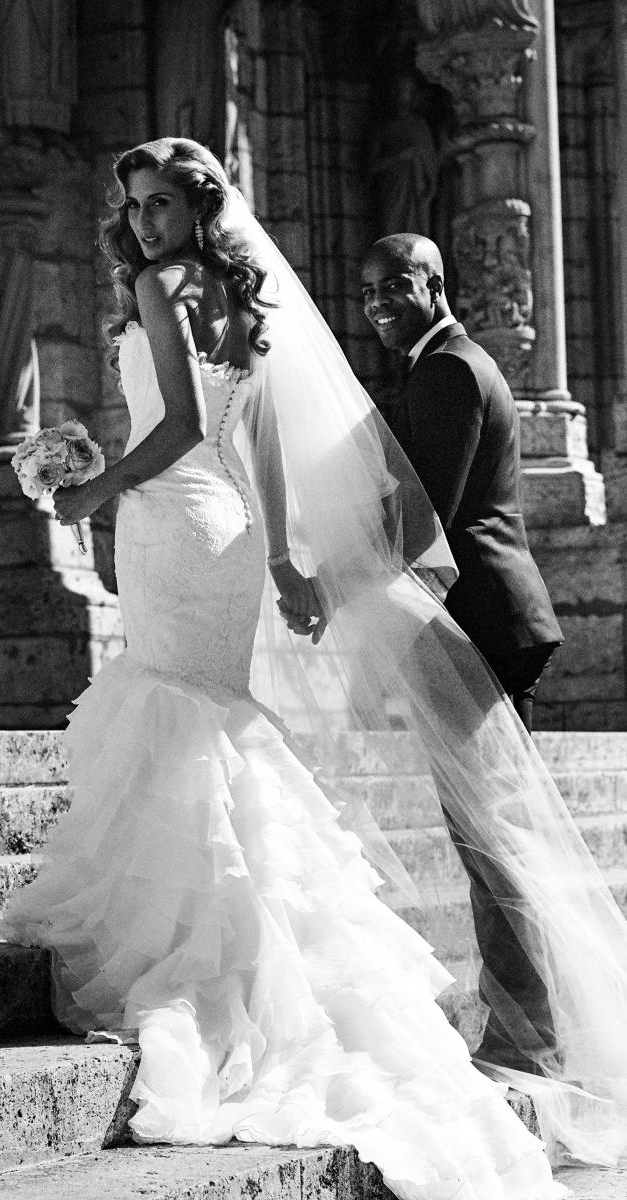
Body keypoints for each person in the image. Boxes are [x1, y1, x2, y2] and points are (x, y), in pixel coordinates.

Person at [0, 138, 627, 1195]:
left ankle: (182, 941)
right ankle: (249, 937)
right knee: (209, 714)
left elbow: (184, 426)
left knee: (171, 710)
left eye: (162, 204)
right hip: (232, 530)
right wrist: (284, 559)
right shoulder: (240, 299)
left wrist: (94, 491)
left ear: (199, 207)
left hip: (170, 523)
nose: (146, 223)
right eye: (135, 206)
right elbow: (261, 442)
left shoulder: (159, 286)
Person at [358, 233, 564, 1077]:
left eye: (394, 284)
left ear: (434, 284)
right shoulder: (446, 364)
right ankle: (532, 1031)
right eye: (367, 289)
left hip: (478, 624)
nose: (377, 302)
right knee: (496, 836)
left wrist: (331, 574)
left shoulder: (446, 371)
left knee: (492, 841)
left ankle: (526, 1042)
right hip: (492, 619)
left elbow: (425, 518)